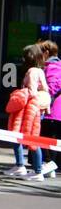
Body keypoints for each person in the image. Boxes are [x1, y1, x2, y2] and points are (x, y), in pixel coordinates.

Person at [6, 43, 54, 180]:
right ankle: (29, 167)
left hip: (29, 109)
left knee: (22, 136)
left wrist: (20, 94)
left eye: (24, 57)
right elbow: (45, 89)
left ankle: (30, 168)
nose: (22, 60)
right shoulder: (40, 70)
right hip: (37, 108)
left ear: (29, 58)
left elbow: (32, 91)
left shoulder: (32, 71)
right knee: (31, 137)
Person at [41, 39, 61, 169]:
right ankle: (51, 166)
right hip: (54, 110)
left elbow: (52, 88)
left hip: (53, 110)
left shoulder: (53, 67)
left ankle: (50, 165)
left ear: (47, 52)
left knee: (48, 138)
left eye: (40, 52)